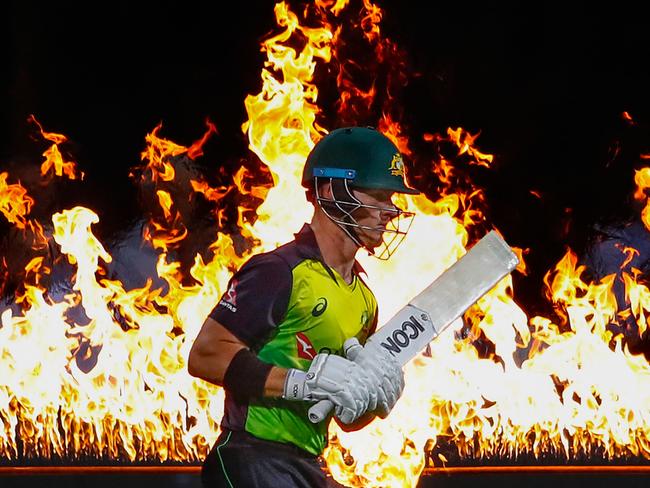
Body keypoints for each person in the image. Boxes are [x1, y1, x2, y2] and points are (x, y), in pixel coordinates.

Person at [188, 126, 420, 487]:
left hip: (309, 463)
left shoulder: (364, 301)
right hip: (252, 456)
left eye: (391, 200)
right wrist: (302, 383)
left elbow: (344, 416)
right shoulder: (279, 271)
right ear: (330, 191)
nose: (390, 211)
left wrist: (373, 398)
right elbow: (204, 355)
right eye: (378, 197)